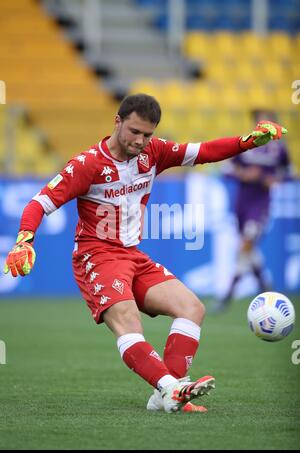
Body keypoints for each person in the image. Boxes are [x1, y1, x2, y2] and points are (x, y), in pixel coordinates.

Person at [4, 94, 287, 413]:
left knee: (192, 308)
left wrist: (247, 141)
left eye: (147, 134)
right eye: (134, 132)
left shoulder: (154, 152)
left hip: (133, 256)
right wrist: (24, 239)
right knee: (128, 321)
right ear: (117, 122)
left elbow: (204, 151)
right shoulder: (87, 165)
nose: (140, 141)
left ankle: (164, 396)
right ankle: (172, 388)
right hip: (96, 257)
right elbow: (38, 203)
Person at [215, 110, 292, 311]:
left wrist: (274, 180)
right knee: (249, 249)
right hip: (242, 203)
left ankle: (228, 294)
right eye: (261, 122)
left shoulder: (279, 150)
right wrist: (244, 174)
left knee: (246, 245)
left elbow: (288, 172)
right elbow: (226, 169)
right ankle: (266, 289)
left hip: (261, 204)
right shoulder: (247, 144)